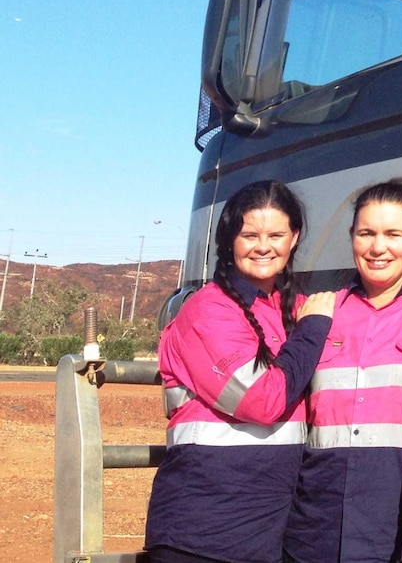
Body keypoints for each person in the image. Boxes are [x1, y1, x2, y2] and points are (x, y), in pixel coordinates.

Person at [145, 180, 336, 563]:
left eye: (276, 234)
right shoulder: (207, 311)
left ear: (294, 237)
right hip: (201, 534)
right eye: (249, 234)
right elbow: (260, 400)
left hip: (267, 531)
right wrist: (314, 328)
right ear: (229, 240)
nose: (263, 246)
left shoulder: (296, 308)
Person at [283, 181, 402, 563]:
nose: (378, 247)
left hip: (395, 529)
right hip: (314, 529)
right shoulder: (319, 313)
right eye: (367, 233)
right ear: (352, 237)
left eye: (393, 234)